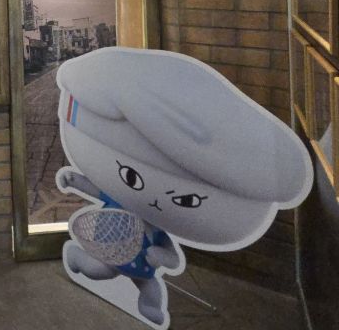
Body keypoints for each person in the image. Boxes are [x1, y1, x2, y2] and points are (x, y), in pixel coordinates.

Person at [56, 47, 311, 329]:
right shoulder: (119, 204)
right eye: (130, 178)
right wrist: (75, 181)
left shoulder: (158, 230)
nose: (155, 202)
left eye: (187, 200)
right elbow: (97, 189)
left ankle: (150, 306)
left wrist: (161, 256)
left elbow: (171, 256)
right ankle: (77, 257)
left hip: (143, 270)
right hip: (109, 255)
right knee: (97, 269)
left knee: (150, 288)